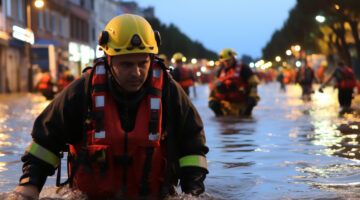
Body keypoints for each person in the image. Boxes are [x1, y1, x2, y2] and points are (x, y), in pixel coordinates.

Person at [11, 14, 208, 200]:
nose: (136, 72)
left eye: (143, 63)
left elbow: (193, 145)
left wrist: (193, 192)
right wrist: (29, 186)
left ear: (151, 59)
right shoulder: (82, 91)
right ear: (108, 59)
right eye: (126, 64)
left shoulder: (169, 92)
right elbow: (46, 142)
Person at [208, 48, 260, 117]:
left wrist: (252, 97)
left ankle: (245, 117)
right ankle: (221, 117)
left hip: (242, 102)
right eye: (224, 61)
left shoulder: (244, 68)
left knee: (250, 105)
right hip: (225, 104)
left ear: (233, 58)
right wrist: (212, 98)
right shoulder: (220, 70)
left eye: (228, 60)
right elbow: (213, 87)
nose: (226, 63)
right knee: (212, 104)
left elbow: (254, 83)